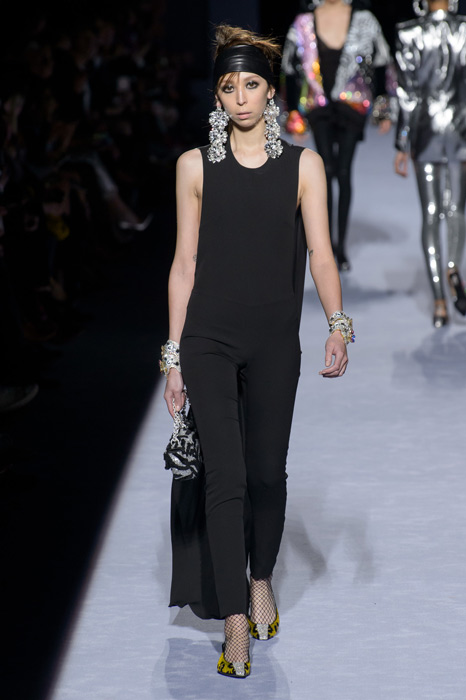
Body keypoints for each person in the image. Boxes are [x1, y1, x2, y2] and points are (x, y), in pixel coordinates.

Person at [161, 24, 354, 679]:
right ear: (216, 97)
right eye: (228, 86)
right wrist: (172, 355)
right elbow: (184, 264)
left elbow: (321, 253)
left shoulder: (303, 166)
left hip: (275, 340)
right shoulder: (194, 167)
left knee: (268, 474)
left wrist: (337, 323)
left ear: (271, 91)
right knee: (227, 478)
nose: (240, 97)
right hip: (208, 339)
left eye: (251, 84)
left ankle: (261, 576)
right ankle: (235, 624)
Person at [281, 0, 396, 270]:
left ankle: (340, 247)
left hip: (353, 106)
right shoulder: (304, 21)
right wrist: (294, 117)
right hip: (317, 106)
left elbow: (383, 63)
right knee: (327, 170)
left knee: (343, 172)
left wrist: (383, 110)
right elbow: (289, 68)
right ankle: (326, 245)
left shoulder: (365, 19)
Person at [394, 0, 466, 328]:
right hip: (460, 130)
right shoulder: (463, 29)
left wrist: (402, 142)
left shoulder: (409, 33)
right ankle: (452, 269)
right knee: (456, 210)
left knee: (431, 213)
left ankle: (439, 302)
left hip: (425, 131)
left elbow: (407, 93)